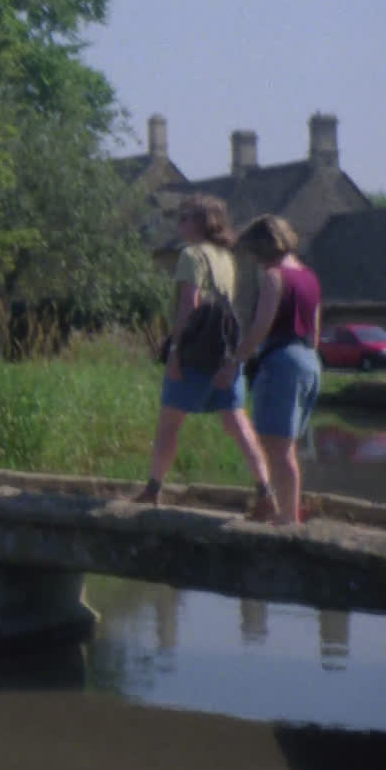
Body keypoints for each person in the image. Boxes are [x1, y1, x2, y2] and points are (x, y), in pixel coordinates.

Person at [139, 194, 272, 508]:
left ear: (201, 222)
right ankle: (265, 492)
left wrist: (174, 351)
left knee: (168, 425)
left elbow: (190, 305)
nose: (179, 223)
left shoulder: (191, 255)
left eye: (184, 217)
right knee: (238, 424)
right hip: (224, 349)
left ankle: (153, 490)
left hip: (195, 352)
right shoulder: (227, 257)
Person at [218, 214, 322, 524]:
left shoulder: (275, 277)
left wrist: (235, 361)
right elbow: (314, 332)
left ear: (263, 247)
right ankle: (287, 511)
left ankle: (287, 516)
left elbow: (260, 327)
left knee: (277, 448)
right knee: (285, 446)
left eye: (252, 252)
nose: (251, 259)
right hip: (309, 361)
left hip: (281, 361)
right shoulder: (309, 277)